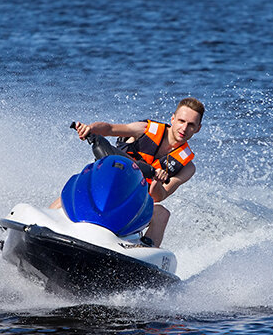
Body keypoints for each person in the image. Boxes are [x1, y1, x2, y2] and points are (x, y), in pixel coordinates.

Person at [50, 97, 204, 247]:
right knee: (78, 186)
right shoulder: (145, 129)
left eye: (191, 125)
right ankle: (40, 221)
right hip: (108, 182)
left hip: (135, 201)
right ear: (173, 119)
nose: (184, 128)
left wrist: (157, 181)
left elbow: (159, 196)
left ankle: (145, 257)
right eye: (181, 121)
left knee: (162, 214)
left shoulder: (187, 168)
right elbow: (109, 129)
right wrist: (90, 128)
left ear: (198, 128)